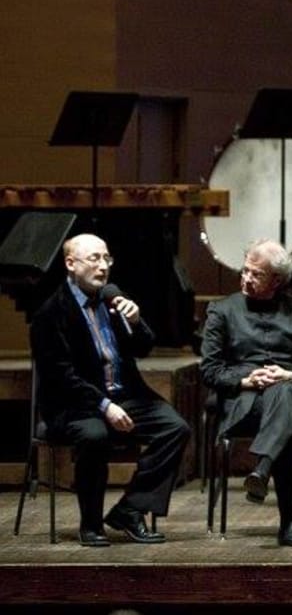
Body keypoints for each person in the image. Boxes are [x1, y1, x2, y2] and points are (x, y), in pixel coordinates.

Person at [29, 233, 190, 546]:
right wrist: (104, 405)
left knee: (175, 428)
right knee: (94, 435)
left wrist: (137, 320)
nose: (103, 267)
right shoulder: (49, 314)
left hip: (126, 395)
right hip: (73, 404)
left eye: (107, 258)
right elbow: (60, 376)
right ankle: (90, 524)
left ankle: (130, 510)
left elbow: (144, 348)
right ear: (70, 263)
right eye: (94, 259)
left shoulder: (111, 300)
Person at [200, 238, 292, 547]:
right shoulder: (222, 311)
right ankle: (289, 521)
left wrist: (289, 373)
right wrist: (246, 380)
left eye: (256, 274)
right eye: (245, 271)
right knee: (286, 419)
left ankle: (264, 467)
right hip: (247, 403)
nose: (246, 278)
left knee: (285, 394)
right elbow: (210, 370)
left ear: (277, 280)